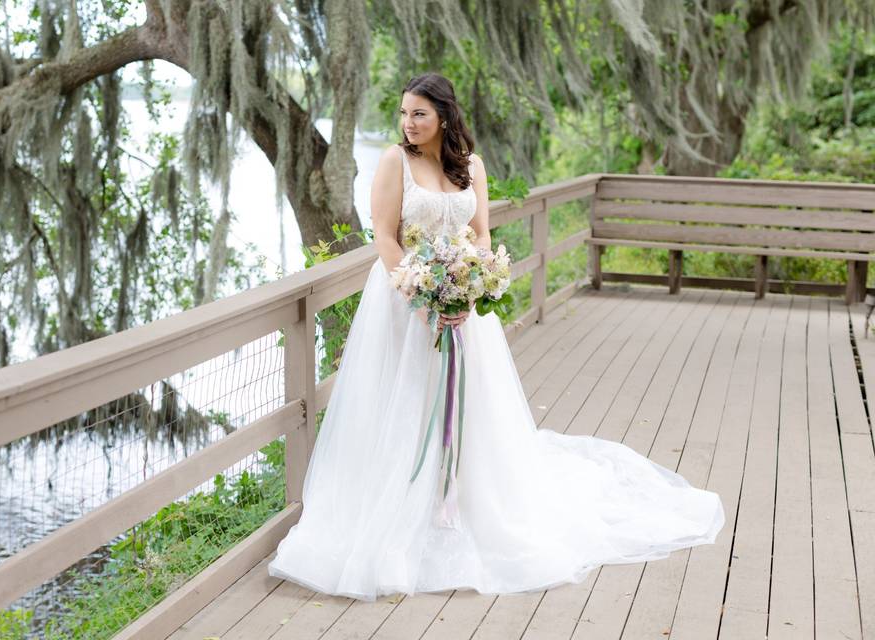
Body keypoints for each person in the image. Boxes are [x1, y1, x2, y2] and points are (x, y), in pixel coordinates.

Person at [266, 72, 724, 601]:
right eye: (402, 114)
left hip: (461, 305)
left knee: (471, 404)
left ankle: (464, 499)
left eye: (419, 113)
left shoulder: (471, 166)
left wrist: (470, 284)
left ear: (443, 114)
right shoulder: (396, 162)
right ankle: (404, 504)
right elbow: (385, 238)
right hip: (403, 303)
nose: (408, 124)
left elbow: (481, 234)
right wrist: (419, 296)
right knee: (405, 399)